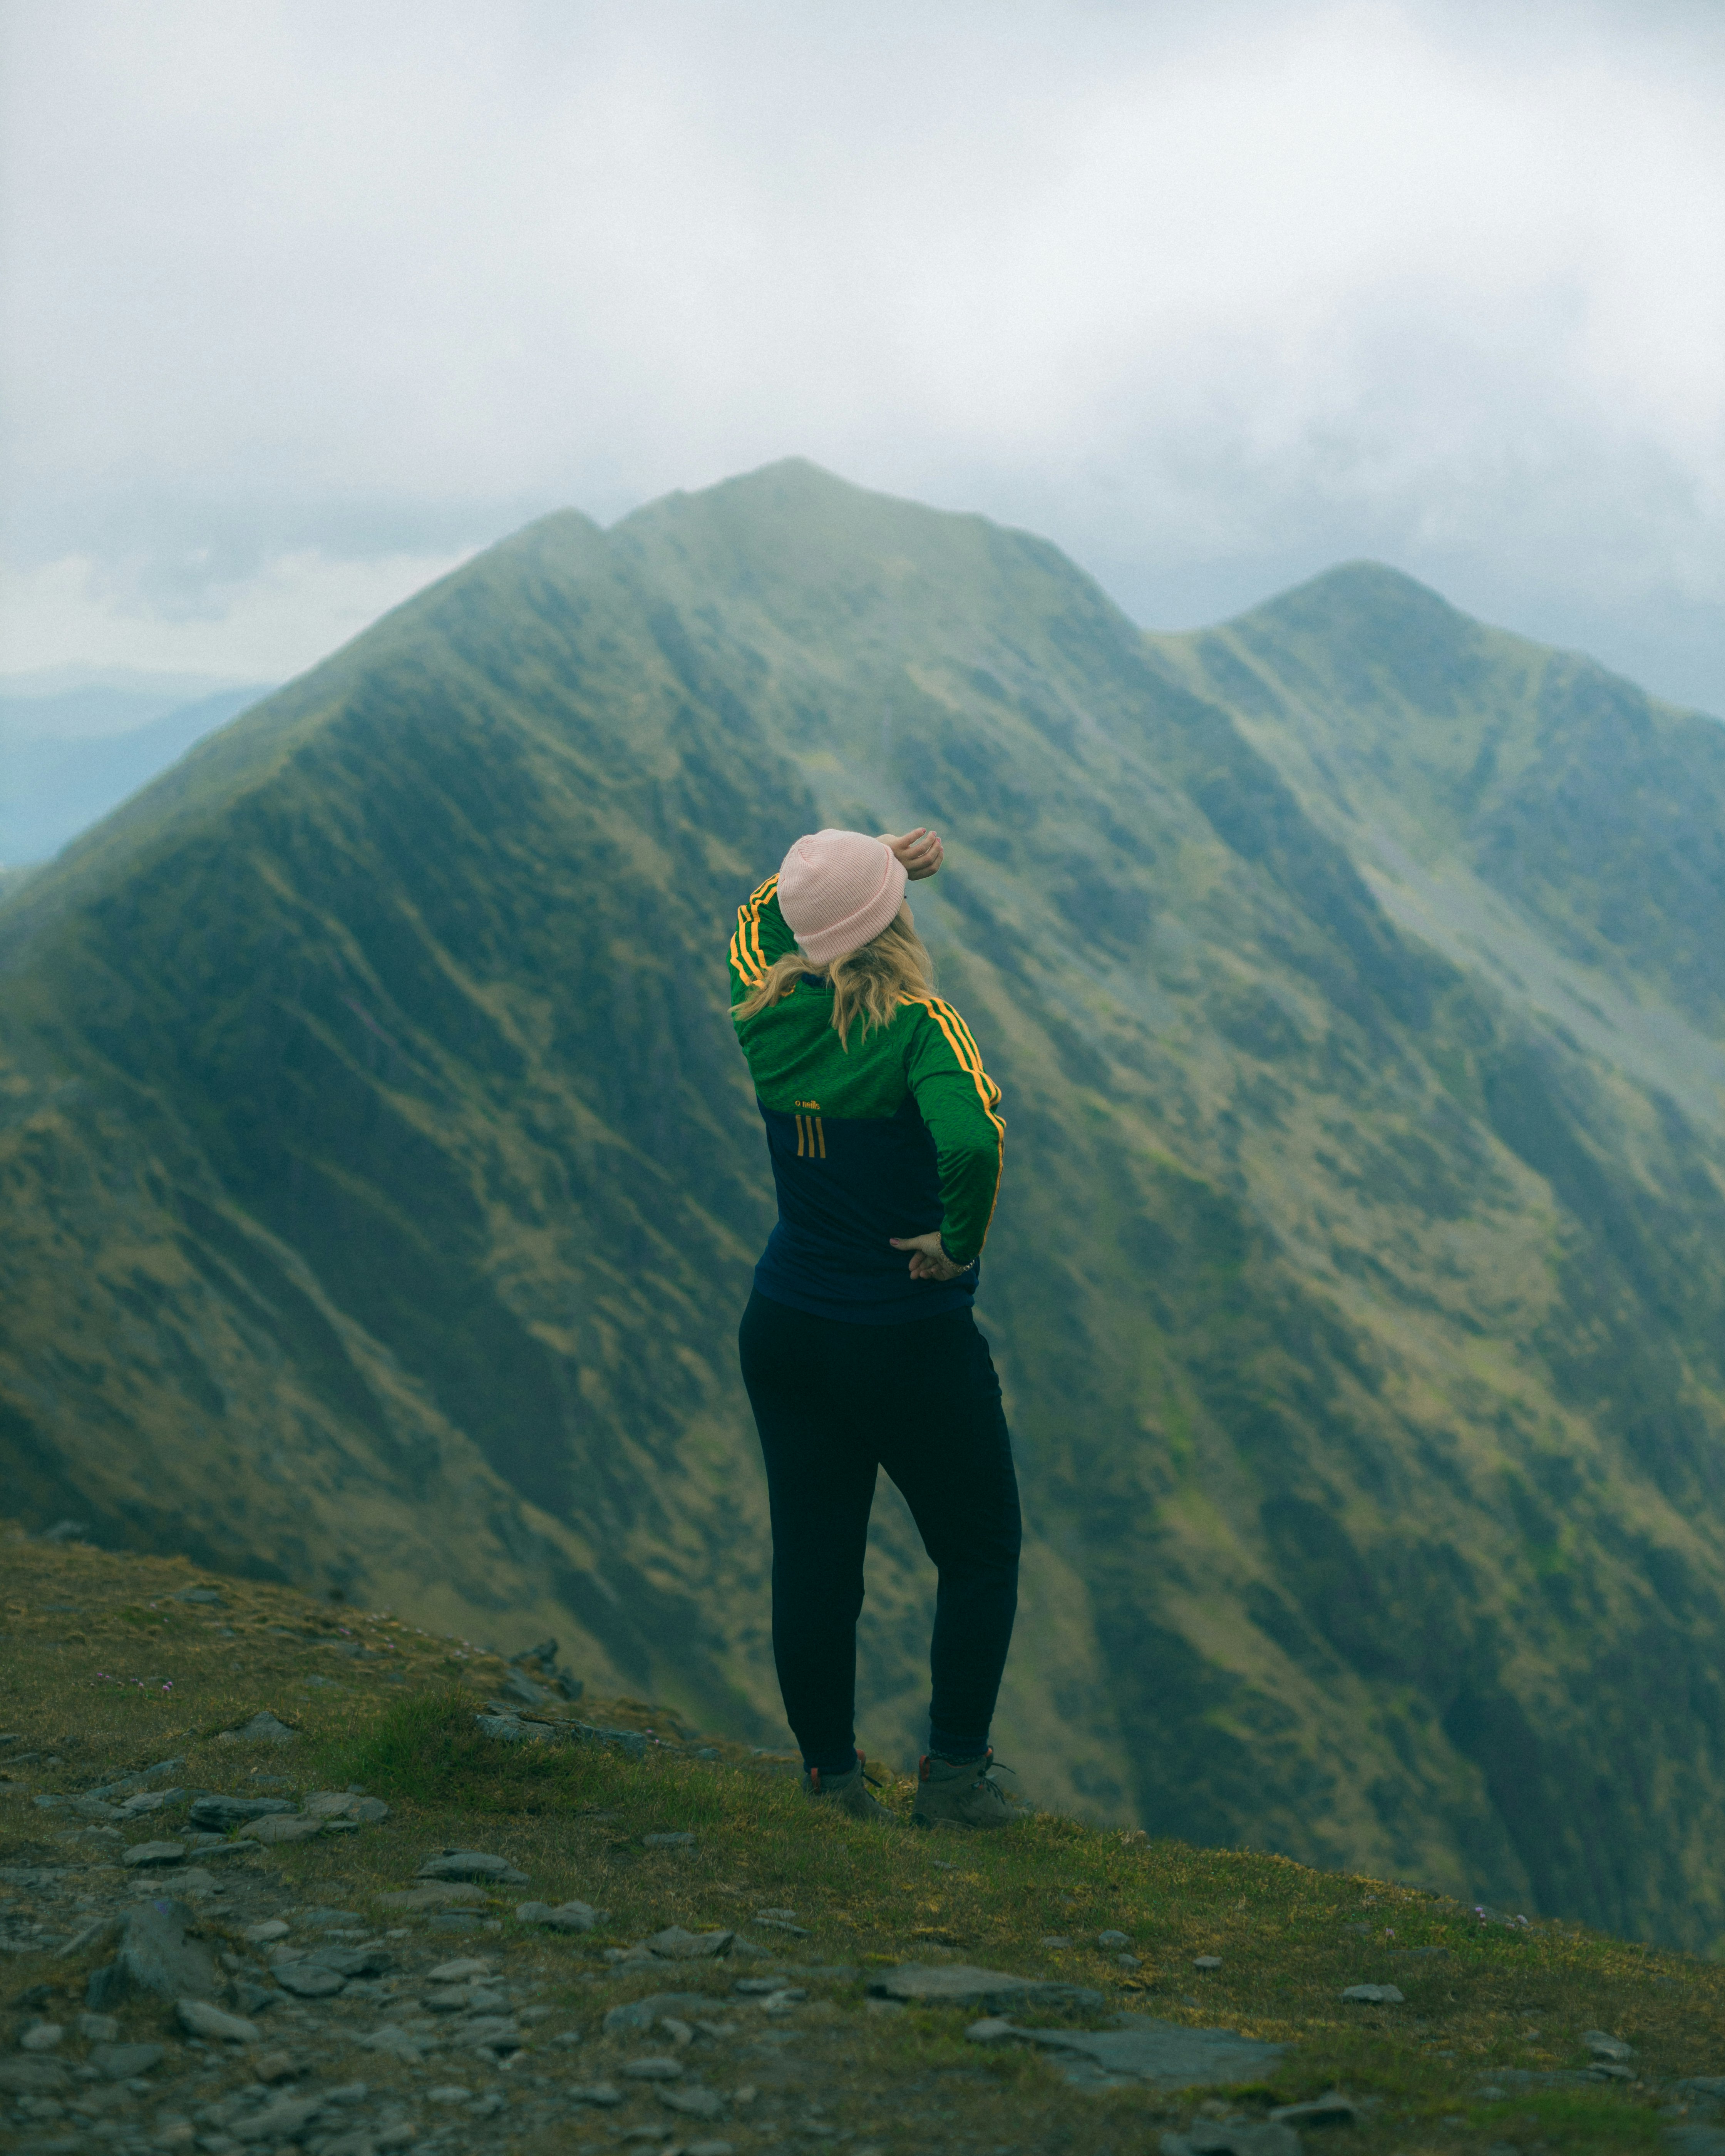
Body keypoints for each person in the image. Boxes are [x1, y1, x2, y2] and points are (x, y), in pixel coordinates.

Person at [729, 825, 1022, 1828]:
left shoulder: (761, 1009)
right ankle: (956, 1781)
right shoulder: (920, 1029)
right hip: (904, 1336)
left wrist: (837, 873)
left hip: (788, 1328)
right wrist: (957, 1242)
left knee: (816, 1558)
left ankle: (830, 1781)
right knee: (980, 1548)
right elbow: (973, 1142)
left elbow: (757, 920)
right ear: (891, 919)